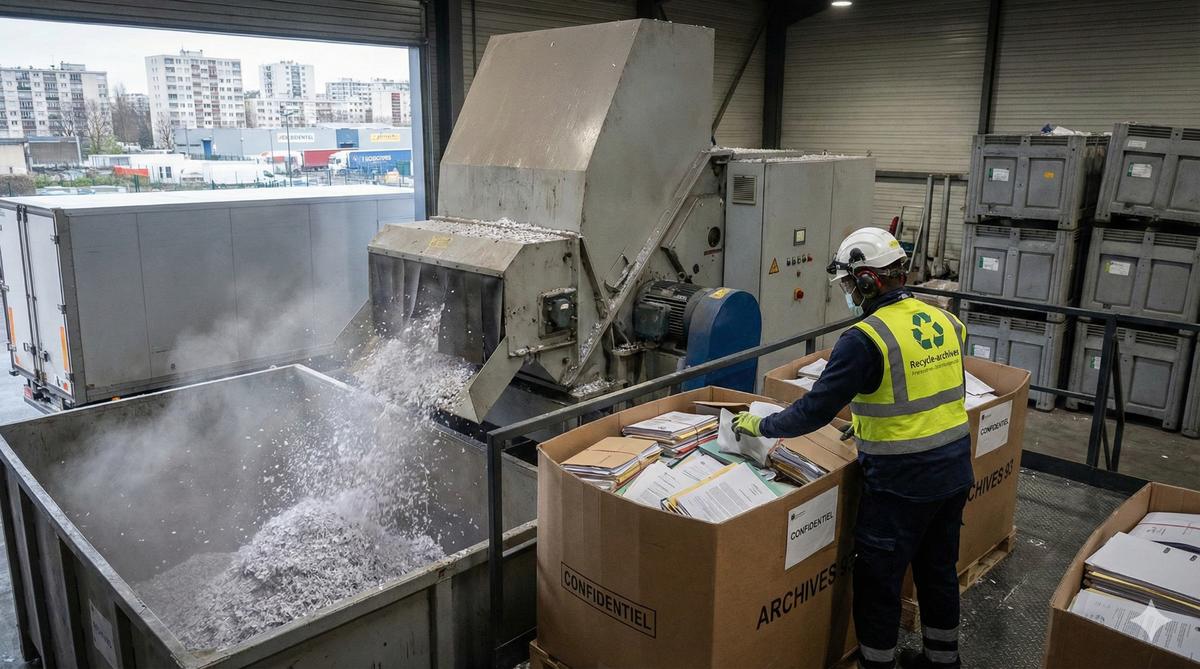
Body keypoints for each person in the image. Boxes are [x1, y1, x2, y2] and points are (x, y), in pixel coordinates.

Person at [732, 227, 972, 669]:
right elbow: (926, 392)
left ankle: (876, 664)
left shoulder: (864, 339)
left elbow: (811, 412)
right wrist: (865, 423)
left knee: (879, 581)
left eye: (847, 283)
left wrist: (761, 424)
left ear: (867, 280)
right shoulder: (945, 319)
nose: (847, 292)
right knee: (938, 571)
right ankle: (943, 661)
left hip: (901, 484)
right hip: (955, 469)